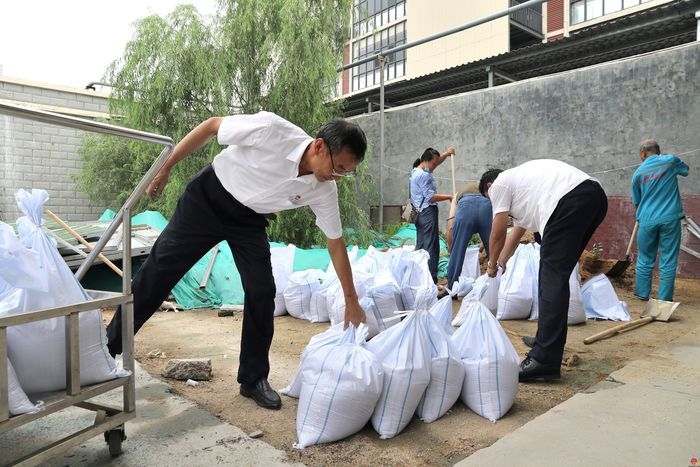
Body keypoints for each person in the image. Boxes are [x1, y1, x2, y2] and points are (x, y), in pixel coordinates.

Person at [106, 111, 368, 410]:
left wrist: (351, 300)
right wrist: (166, 167)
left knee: (262, 290)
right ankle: (107, 348)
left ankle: (253, 378)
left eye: (346, 172)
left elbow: (335, 243)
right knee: (159, 273)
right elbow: (211, 126)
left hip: (249, 219)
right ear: (320, 146)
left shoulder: (324, 188)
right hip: (207, 199)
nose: (338, 176)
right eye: (338, 167)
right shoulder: (272, 129)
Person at [480, 161, 607, 382]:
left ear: (489, 186)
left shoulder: (499, 185)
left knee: (551, 279)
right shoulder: (523, 187)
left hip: (570, 200)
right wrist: (502, 259)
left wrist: (490, 265)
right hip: (593, 197)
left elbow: (498, 232)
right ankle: (544, 340)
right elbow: (516, 232)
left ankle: (544, 359)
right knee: (553, 276)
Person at [632, 139, 689, 301]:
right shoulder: (670, 161)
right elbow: (685, 170)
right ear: (658, 151)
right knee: (668, 259)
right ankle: (664, 299)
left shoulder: (638, 173)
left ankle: (642, 294)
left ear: (643, 153)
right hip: (670, 218)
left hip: (646, 219)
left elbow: (637, 201)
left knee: (645, 258)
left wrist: (642, 217)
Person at [409, 147, 454, 283]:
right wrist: (449, 197)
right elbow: (430, 197)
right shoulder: (424, 176)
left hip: (419, 212)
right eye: (433, 164)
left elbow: (435, 161)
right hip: (428, 212)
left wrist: (446, 153)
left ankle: (417, 276)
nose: (435, 166)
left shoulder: (416, 170)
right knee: (431, 247)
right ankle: (430, 279)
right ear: (426, 161)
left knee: (421, 245)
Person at [445, 182, 492, 290]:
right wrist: (485, 243)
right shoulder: (487, 191)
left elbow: (450, 225)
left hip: (465, 208)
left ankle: (452, 289)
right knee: (494, 252)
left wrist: (452, 247)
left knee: (456, 253)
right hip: (486, 206)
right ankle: (501, 287)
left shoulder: (456, 196)